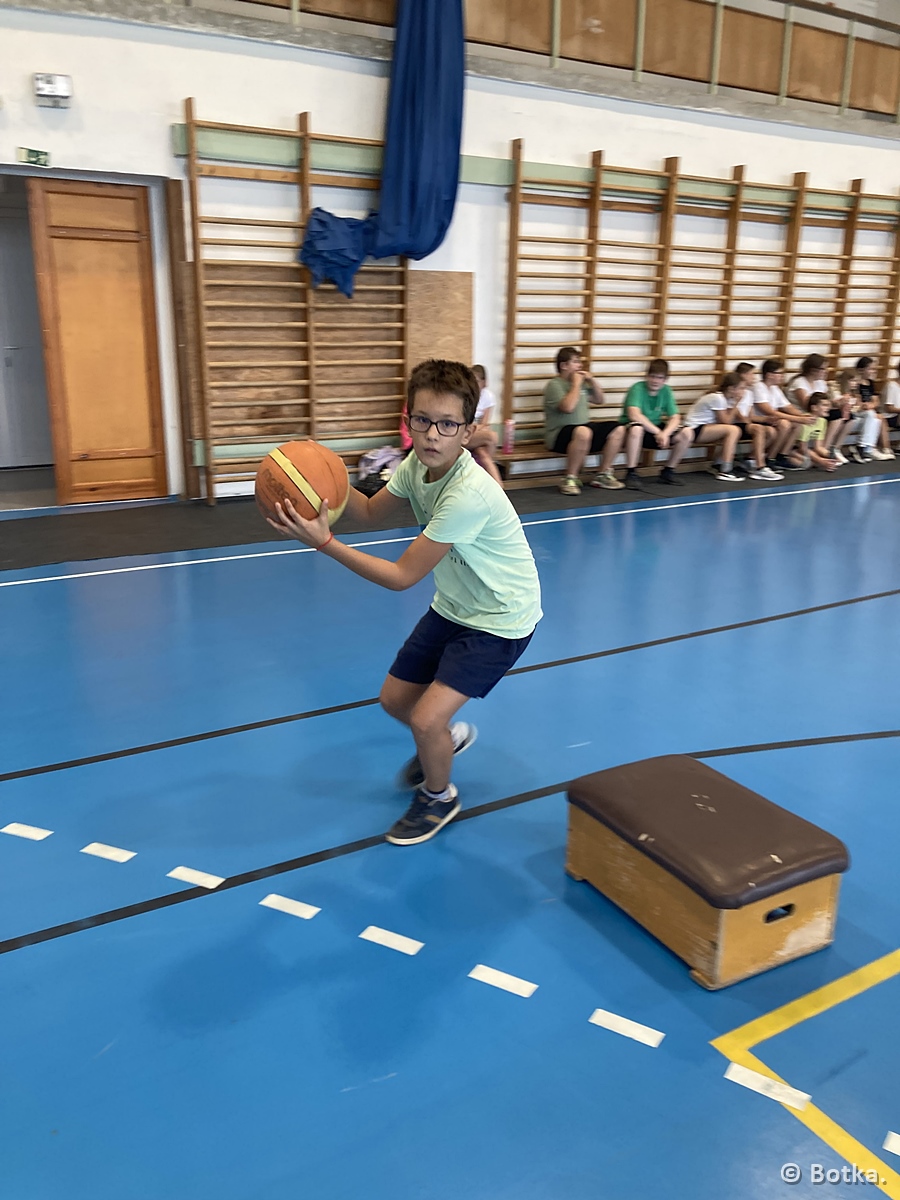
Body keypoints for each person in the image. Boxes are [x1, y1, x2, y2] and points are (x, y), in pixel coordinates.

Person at [268, 359, 542, 847]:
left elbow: (400, 577)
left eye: (448, 424)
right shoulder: (417, 464)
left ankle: (439, 797)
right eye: (422, 420)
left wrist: (324, 543)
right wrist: (322, 472)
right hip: (455, 604)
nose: (433, 434)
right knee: (395, 701)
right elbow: (370, 510)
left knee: (424, 718)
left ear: (468, 431)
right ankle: (445, 742)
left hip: (500, 618)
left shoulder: (468, 494)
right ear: (408, 419)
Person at [543, 347, 626, 494]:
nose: (580, 365)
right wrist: (576, 384)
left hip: (583, 431)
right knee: (583, 431)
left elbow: (599, 400)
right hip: (558, 435)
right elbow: (568, 407)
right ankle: (570, 479)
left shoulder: (582, 384)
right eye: (575, 362)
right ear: (564, 365)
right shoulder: (554, 385)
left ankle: (603, 474)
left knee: (618, 428)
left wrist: (591, 381)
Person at [618, 359, 690, 487]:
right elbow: (634, 415)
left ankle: (668, 471)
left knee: (687, 432)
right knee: (637, 429)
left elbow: (675, 417)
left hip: (656, 429)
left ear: (665, 379)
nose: (655, 381)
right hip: (634, 429)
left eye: (660, 378)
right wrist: (658, 433)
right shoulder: (637, 388)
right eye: (652, 376)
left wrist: (665, 433)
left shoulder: (666, 390)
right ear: (647, 376)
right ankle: (631, 472)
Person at [750, 358, 812, 471]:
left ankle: (782, 455)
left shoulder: (775, 389)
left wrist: (802, 416)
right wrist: (798, 418)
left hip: (772, 420)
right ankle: (771, 458)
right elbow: (769, 411)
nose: (782, 376)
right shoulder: (758, 387)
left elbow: (788, 407)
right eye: (779, 373)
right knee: (785, 424)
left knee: (797, 424)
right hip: (760, 420)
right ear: (769, 375)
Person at [681, 373, 745, 482]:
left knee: (733, 431)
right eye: (741, 388)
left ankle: (718, 464)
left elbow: (731, 420)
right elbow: (726, 421)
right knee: (733, 430)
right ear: (731, 389)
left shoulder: (725, 399)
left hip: (703, 428)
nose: (743, 391)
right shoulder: (717, 398)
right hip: (693, 430)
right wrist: (736, 404)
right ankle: (725, 470)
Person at [732, 363, 784, 480]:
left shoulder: (749, 393)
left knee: (771, 431)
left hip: (744, 424)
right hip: (734, 423)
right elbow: (735, 412)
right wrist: (748, 422)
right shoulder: (734, 391)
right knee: (759, 429)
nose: (754, 377)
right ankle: (760, 467)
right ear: (743, 375)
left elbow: (751, 416)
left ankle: (750, 460)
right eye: (752, 374)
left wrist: (767, 419)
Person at [468, 365, 503, 486]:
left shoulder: (488, 396)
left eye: (477, 381)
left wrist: (478, 428)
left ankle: (498, 487)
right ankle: (497, 488)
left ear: (484, 382)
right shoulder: (466, 396)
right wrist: (477, 428)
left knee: (483, 454)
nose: (473, 384)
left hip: (478, 434)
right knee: (492, 436)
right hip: (466, 435)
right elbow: (466, 425)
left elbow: (485, 423)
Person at [788, 393, 838, 471]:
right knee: (808, 464)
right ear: (814, 408)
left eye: (828, 405)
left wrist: (830, 455)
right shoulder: (805, 422)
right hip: (791, 448)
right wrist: (821, 461)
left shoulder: (822, 421)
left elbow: (818, 447)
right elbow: (802, 448)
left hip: (802, 450)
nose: (828, 408)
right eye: (824, 405)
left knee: (819, 461)